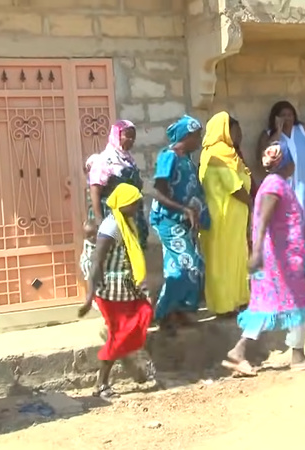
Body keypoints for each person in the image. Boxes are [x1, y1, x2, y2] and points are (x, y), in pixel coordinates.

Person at [223, 142, 305, 376]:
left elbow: (285, 218)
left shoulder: (275, 184)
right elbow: (264, 220)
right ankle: (298, 356)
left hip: (279, 257)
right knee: (297, 303)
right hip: (278, 260)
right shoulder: (274, 186)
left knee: (266, 305)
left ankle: (237, 354)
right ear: (287, 162)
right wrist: (257, 251)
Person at [78, 183, 153, 399]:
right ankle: (101, 383)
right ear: (124, 204)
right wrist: (89, 296)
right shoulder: (111, 228)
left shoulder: (127, 222)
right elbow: (96, 264)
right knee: (120, 334)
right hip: (110, 291)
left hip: (125, 287)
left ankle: (125, 352)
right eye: (134, 202)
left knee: (144, 314)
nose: (138, 205)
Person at [258, 101, 305, 288]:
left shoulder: (303, 131)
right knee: (288, 234)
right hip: (284, 192)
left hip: (304, 191)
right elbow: (263, 157)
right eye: (283, 115)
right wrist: (278, 132)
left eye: (290, 114)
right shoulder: (269, 136)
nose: (287, 118)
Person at [150, 115, 210, 331]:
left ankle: (179, 312)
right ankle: (163, 313)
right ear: (186, 135)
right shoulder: (169, 157)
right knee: (186, 266)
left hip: (184, 222)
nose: (199, 140)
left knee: (188, 266)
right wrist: (184, 209)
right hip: (168, 219)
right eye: (197, 136)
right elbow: (158, 191)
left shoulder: (186, 159)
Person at [198, 111, 252, 317]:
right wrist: (252, 202)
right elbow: (234, 186)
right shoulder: (217, 154)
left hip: (233, 218)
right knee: (221, 261)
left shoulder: (229, 153)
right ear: (224, 130)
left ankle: (237, 299)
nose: (239, 134)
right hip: (222, 216)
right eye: (236, 129)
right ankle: (223, 306)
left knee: (236, 259)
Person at [88, 120, 149, 249]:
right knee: (114, 251)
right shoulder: (105, 160)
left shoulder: (128, 160)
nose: (131, 140)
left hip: (132, 213)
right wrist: (100, 220)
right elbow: (95, 189)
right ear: (117, 135)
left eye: (133, 137)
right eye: (127, 136)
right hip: (112, 214)